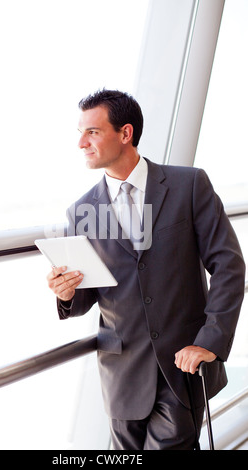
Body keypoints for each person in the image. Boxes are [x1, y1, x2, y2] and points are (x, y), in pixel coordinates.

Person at [47, 89, 246, 450]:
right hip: (122, 376)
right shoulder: (81, 211)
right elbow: (89, 293)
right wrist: (66, 293)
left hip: (181, 367)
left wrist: (209, 342)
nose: (81, 143)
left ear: (125, 134)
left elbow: (229, 265)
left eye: (92, 132)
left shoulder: (189, 185)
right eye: (81, 132)